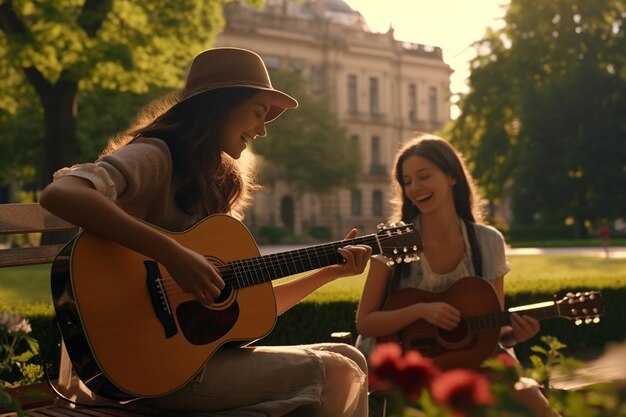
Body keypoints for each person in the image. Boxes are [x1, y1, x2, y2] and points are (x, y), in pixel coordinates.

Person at [40, 47, 371, 417]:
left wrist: (331, 271)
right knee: (338, 372)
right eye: (258, 112)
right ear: (221, 105)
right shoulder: (155, 155)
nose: (262, 130)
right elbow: (61, 194)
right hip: (142, 372)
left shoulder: (216, 181)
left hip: (186, 367)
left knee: (348, 355)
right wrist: (172, 253)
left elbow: (251, 310)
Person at [355, 134, 559, 417]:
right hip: (409, 364)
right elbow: (365, 323)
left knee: (527, 395)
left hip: (471, 359)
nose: (415, 188)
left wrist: (515, 335)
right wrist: (421, 311)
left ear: (452, 176)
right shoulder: (392, 241)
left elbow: (492, 329)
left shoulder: (489, 242)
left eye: (424, 176)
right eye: (407, 181)